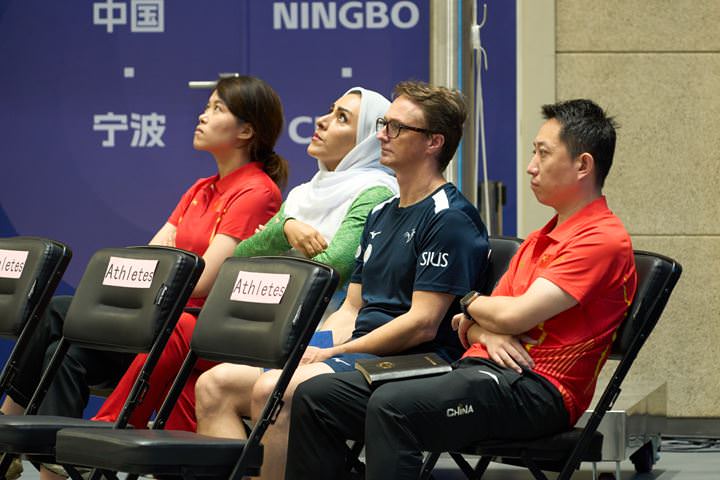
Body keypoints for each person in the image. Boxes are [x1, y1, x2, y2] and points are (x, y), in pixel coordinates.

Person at [285, 98, 638, 480]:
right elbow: (471, 322)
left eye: (543, 153)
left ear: (583, 165)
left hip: (537, 388)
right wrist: (481, 327)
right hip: (480, 370)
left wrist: (470, 302)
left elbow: (510, 315)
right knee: (316, 396)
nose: (531, 165)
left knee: (392, 406)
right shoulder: (541, 237)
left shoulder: (601, 239)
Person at [195, 80, 489, 480]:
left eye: (397, 128)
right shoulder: (381, 212)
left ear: (433, 143)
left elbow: (422, 324)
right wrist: (314, 348)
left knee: (274, 389)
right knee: (216, 384)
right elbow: (352, 307)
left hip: (415, 362)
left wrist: (336, 352)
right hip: (360, 353)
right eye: (383, 124)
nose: (382, 135)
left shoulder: (448, 217)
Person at [0, 75, 287, 480]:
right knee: (65, 356)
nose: (202, 116)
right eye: (206, 106)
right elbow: (150, 260)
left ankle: (8, 431)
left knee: (57, 313)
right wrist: (161, 273)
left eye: (217, 109)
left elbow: (202, 281)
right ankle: (50, 466)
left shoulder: (257, 192)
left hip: (198, 329)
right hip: (157, 318)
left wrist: (164, 272)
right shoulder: (200, 189)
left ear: (246, 131)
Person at [91, 87, 399, 433]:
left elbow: (331, 268)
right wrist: (287, 227)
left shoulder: (376, 191)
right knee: (188, 371)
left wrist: (278, 244)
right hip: (267, 318)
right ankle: (169, 454)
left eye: (342, 118)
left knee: (180, 332)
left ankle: (111, 427)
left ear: (365, 141)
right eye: (330, 110)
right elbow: (241, 259)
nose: (322, 121)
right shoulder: (304, 193)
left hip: (318, 331)